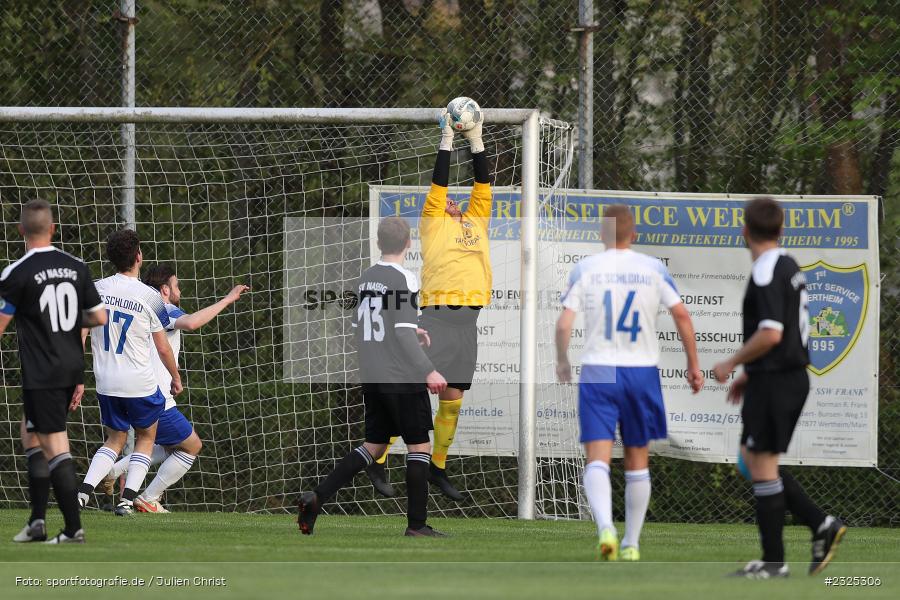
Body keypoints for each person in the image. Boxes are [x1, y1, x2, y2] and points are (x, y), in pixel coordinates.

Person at [556, 204, 704, 561]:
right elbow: (682, 315)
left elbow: (564, 323)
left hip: (599, 369)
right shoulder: (652, 268)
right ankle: (631, 543)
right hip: (641, 371)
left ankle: (606, 527)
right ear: (633, 234)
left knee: (597, 458)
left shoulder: (586, 268)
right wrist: (693, 365)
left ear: (601, 234)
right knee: (638, 458)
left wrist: (562, 360)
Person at [713, 197, 845, 578]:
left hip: (778, 380)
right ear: (781, 229)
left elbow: (772, 333)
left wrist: (732, 362)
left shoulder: (766, 269)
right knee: (750, 459)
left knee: (762, 464)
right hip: (777, 377)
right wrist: (751, 373)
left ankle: (775, 562)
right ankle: (820, 524)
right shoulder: (788, 263)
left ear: (744, 231)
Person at [365, 106, 490, 501]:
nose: (450, 201)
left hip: (468, 324)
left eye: (454, 200)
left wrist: (476, 140)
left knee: (453, 399)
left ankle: (438, 467)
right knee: (406, 390)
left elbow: (482, 183)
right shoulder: (433, 222)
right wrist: (448, 139)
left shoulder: (477, 219)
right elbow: (439, 183)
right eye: (445, 199)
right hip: (437, 318)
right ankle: (377, 458)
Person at [297, 217, 449, 537]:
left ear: (379, 243)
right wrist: (429, 369)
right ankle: (417, 525)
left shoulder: (365, 278)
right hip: (400, 375)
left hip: (372, 374)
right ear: (409, 243)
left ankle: (317, 497)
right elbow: (401, 333)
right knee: (420, 447)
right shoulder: (405, 278)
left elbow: (362, 328)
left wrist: (409, 332)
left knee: (375, 445)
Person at [0, 199, 107, 544]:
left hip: (42, 370)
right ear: (53, 228)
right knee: (31, 434)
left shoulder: (16, 273)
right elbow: (99, 317)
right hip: (70, 366)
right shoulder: (77, 267)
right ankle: (36, 522)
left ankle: (74, 529)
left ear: (21, 230)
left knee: (55, 444)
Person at [102, 264, 248, 513]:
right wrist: (228, 299)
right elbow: (191, 323)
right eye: (176, 285)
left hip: (131, 390)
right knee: (192, 446)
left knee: (167, 445)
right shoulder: (163, 309)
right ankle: (148, 498)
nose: (180, 289)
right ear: (165, 289)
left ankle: (113, 471)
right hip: (155, 397)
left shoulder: (139, 307)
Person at [77, 230, 183, 516]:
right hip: (139, 382)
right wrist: (175, 377)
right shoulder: (150, 296)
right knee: (147, 436)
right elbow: (163, 348)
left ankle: (83, 492)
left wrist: (77, 376)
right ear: (138, 256)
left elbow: (80, 335)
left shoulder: (95, 289)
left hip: (106, 381)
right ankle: (127, 500)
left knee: (115, 439)